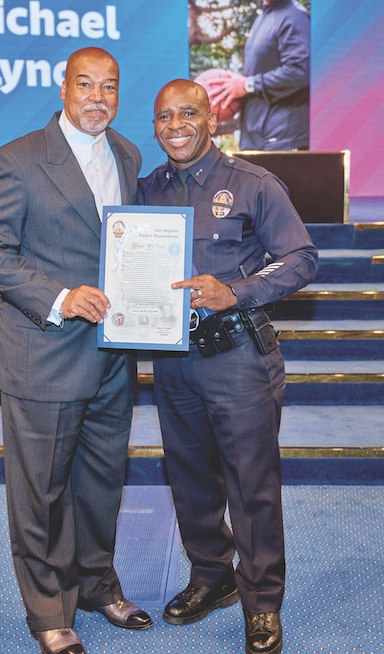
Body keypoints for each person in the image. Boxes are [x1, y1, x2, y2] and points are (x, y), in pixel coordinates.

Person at [0, 47, 153, 654]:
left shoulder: (127, 154)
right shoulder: (16, 159)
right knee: (41, 494)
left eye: (110, 86)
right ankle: (49, 610)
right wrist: (61, 297)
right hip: (43, 353)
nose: (98, 97)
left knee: (102, 483)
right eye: (86, 84)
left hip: (113, 355)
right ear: (63, 88)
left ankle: (97, 584)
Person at [138, 79, 318, 654]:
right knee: (189, 479)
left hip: (239, 358)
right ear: (155, 127)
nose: (176, 126)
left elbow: (301, 258)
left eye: (188, 113)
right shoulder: (145, 191)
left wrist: (235, 291)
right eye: (164, 117)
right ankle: (212, 577)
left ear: (211, 119)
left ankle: (261, 602)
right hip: (173, 360)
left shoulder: (253, 183)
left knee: (251, 485)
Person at [206, 0, 310, 151]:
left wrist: (248, 85)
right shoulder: (263, 17)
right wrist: (235, 87)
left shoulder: (295, 17)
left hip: (283, 140)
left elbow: (299, 72)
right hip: (256, 139)